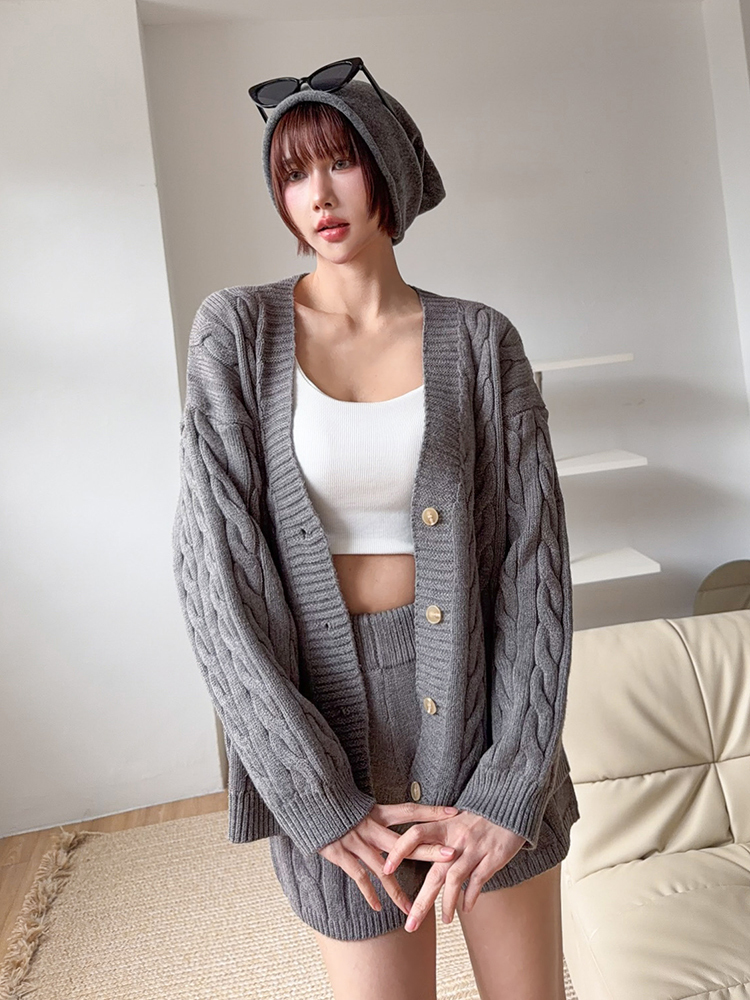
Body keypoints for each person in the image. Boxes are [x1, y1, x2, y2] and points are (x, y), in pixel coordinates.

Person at [173, 58, 579, 1000]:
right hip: (327, 740)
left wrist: (510, 786)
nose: (317, 195)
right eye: (291, 174)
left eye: (339, 163)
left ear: (387, 168)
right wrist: (310, 792)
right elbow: (215, 586)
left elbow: (534, 570)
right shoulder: (236, 334)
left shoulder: (481, 340)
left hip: (485, 724)